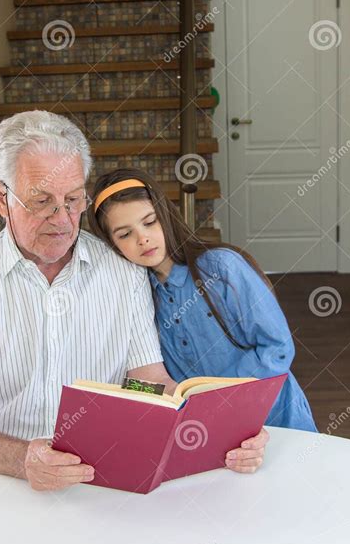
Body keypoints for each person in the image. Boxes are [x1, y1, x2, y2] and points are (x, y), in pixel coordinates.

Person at [0, 113, 269, 491]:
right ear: (2, 198)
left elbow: (143, 383)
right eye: (41, 201)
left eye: (72, 200)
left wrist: (227, 430)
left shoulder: (124, 272)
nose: (62, 219)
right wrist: (23, 459)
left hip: (98, 478)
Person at [88, 168, 318, 433]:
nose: (143, 238)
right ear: (113, 245)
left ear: (165, 215)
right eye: (125, 234)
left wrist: (225, 399)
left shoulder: (222, 267)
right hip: (211, 430)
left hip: (278, 417)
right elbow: (151, 379)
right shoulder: (137, 302)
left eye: (149, 222)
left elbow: (277, 346)